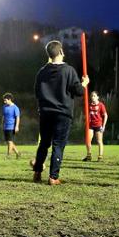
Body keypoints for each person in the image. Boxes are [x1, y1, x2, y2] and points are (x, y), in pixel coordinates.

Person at [31, 40, 89, 185]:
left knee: (44, 143)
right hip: (63, 112)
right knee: (58, 144)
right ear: (61, 52)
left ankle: (37, 172)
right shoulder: (68, 70)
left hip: (45, 112)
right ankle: (53, 177)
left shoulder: (42, 71)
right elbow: (78, 91)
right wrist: (84, 83)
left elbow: (37, 91)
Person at [84, 91, 108, 161]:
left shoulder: (101, 105)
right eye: (91, 96)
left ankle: (100, 156)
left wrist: (103, 126)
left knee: (99, 141)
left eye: (94, 96)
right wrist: (86, 121)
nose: (93, 97)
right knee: (88, 140)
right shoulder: (89, 105)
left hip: (98, 125)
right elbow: (87, 114)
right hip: (90, 125)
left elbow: (105, 115)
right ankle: (89, 155)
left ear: (97, 97)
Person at [1, 93, 22, 158]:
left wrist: (17, 126)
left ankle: (8, 155)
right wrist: (2, 123)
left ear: (9, 99)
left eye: (5, 100)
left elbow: (18, 118)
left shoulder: (15, 108)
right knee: (9, 141)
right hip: (5, 126)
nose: (4, 102)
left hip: (11, 126)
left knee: (10, 141)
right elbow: (3, 116)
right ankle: (17, 153)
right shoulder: (4, 107)